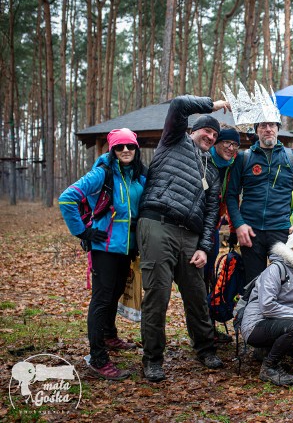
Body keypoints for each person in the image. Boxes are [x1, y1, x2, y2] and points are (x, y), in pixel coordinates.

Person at [137, 95, 229, 382]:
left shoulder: (211, 171)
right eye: (206, 131)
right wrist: (210, 105)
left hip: (190, 236)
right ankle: (152, 359)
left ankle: (204, 348)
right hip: (158, 224)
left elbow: (212, 213)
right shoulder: (173, 141)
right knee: (158, 295)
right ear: (193, 130)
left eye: (214, 135)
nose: (210, 137)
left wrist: (204, 247)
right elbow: (178, 105)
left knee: (197, 295)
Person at [59, 128, 146, 380]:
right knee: (101, 299)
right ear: (112, 150)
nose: (125, 151)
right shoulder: (102, 174)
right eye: (120, 147)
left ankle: (109, 335)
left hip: (127, 248)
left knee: (116, 291)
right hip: (104, 248)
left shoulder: (139, 176)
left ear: (136, 149)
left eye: (130, 146)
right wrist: (82, 232)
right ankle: (98, 358)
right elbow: (67, 198)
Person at [226, 120, 293, 285]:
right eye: (263, 126)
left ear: (278, 129)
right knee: (253, 284)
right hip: (250, 232)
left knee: (283, 283)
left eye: (272, 125)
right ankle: (252, 311)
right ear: (256, 129)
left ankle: (282, 311)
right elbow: (231, 195)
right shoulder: (243, 158)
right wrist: (238, 224)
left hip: (280, 230)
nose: (268, 129)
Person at [241, 229, 293, 386]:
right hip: (255, 325)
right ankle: (269, 367)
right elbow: (267, 306)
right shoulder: (276, 269)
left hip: (275, 322)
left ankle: (265, 352)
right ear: (291, 249)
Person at [204, 128, 241, 343]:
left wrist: (234, 230)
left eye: (234, 145)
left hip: (214, 228)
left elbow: (231, 198)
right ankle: (201, 332)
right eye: (226, 143)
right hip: (197, 227)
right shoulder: (206, 161)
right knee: (198, 281)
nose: (230, 147)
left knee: (211, 279)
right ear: (217, 143)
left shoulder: (231, 166)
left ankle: (208, 328)